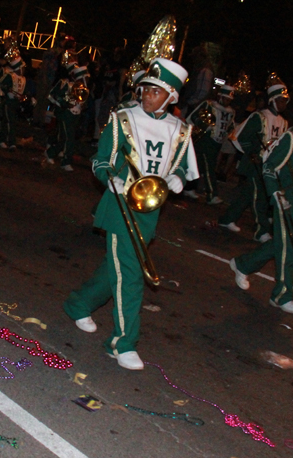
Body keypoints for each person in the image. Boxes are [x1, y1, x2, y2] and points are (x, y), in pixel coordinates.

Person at [63, 57, 198, 369]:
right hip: (120, 206)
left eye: (155, 92)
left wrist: (177, 177)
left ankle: (78, 303)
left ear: (171, 97)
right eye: (145, 90)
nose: (147, 96)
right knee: (132, 275)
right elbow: (101, 159)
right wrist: (111, 178)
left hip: (151, 209)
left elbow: (180, 164)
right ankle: (122, 343)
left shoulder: (180, 130)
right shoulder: (123, 118)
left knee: (121, 270)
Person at [230, 77, 293, 314]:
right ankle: (282, 295)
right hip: (284, 197)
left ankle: (242, 264)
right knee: (288, 248)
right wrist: (275, 193)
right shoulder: (291, 139)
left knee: (286, 243)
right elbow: (269, 167)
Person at [218, 72, 290, 241]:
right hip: (255, 164)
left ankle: (227, 219)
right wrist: (252, 153)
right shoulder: (259, 116)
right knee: (259, 196)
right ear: (272, 100)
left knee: (248, 195)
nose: (284, 104)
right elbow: (241, 136)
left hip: (268, 164)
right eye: (281, 100)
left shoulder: (284, 122)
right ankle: (261, 230)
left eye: (286, 101)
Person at [189, 82, 236, 205]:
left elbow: (230, 125)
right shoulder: (209, 105)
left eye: (229, 99)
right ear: (220, 96)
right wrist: (205, 125)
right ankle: (211, 194)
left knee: (198, 166)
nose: (226, 101)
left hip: (217, 143)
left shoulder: (231, 112)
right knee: (209, 167)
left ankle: (188, 187)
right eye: (225, 98)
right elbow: (194, 116)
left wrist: (231, 132)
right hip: (205, 140)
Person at [44, 55, 88, 172]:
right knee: (69, 138)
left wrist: (83, 105)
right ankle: (66, 162)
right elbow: (52, 95)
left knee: (64, 138)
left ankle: (50, 153)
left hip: (75, 115)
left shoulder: (84, 88)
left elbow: (83, 103)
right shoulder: (65, 84)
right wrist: (64, 103)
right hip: (65, 114)